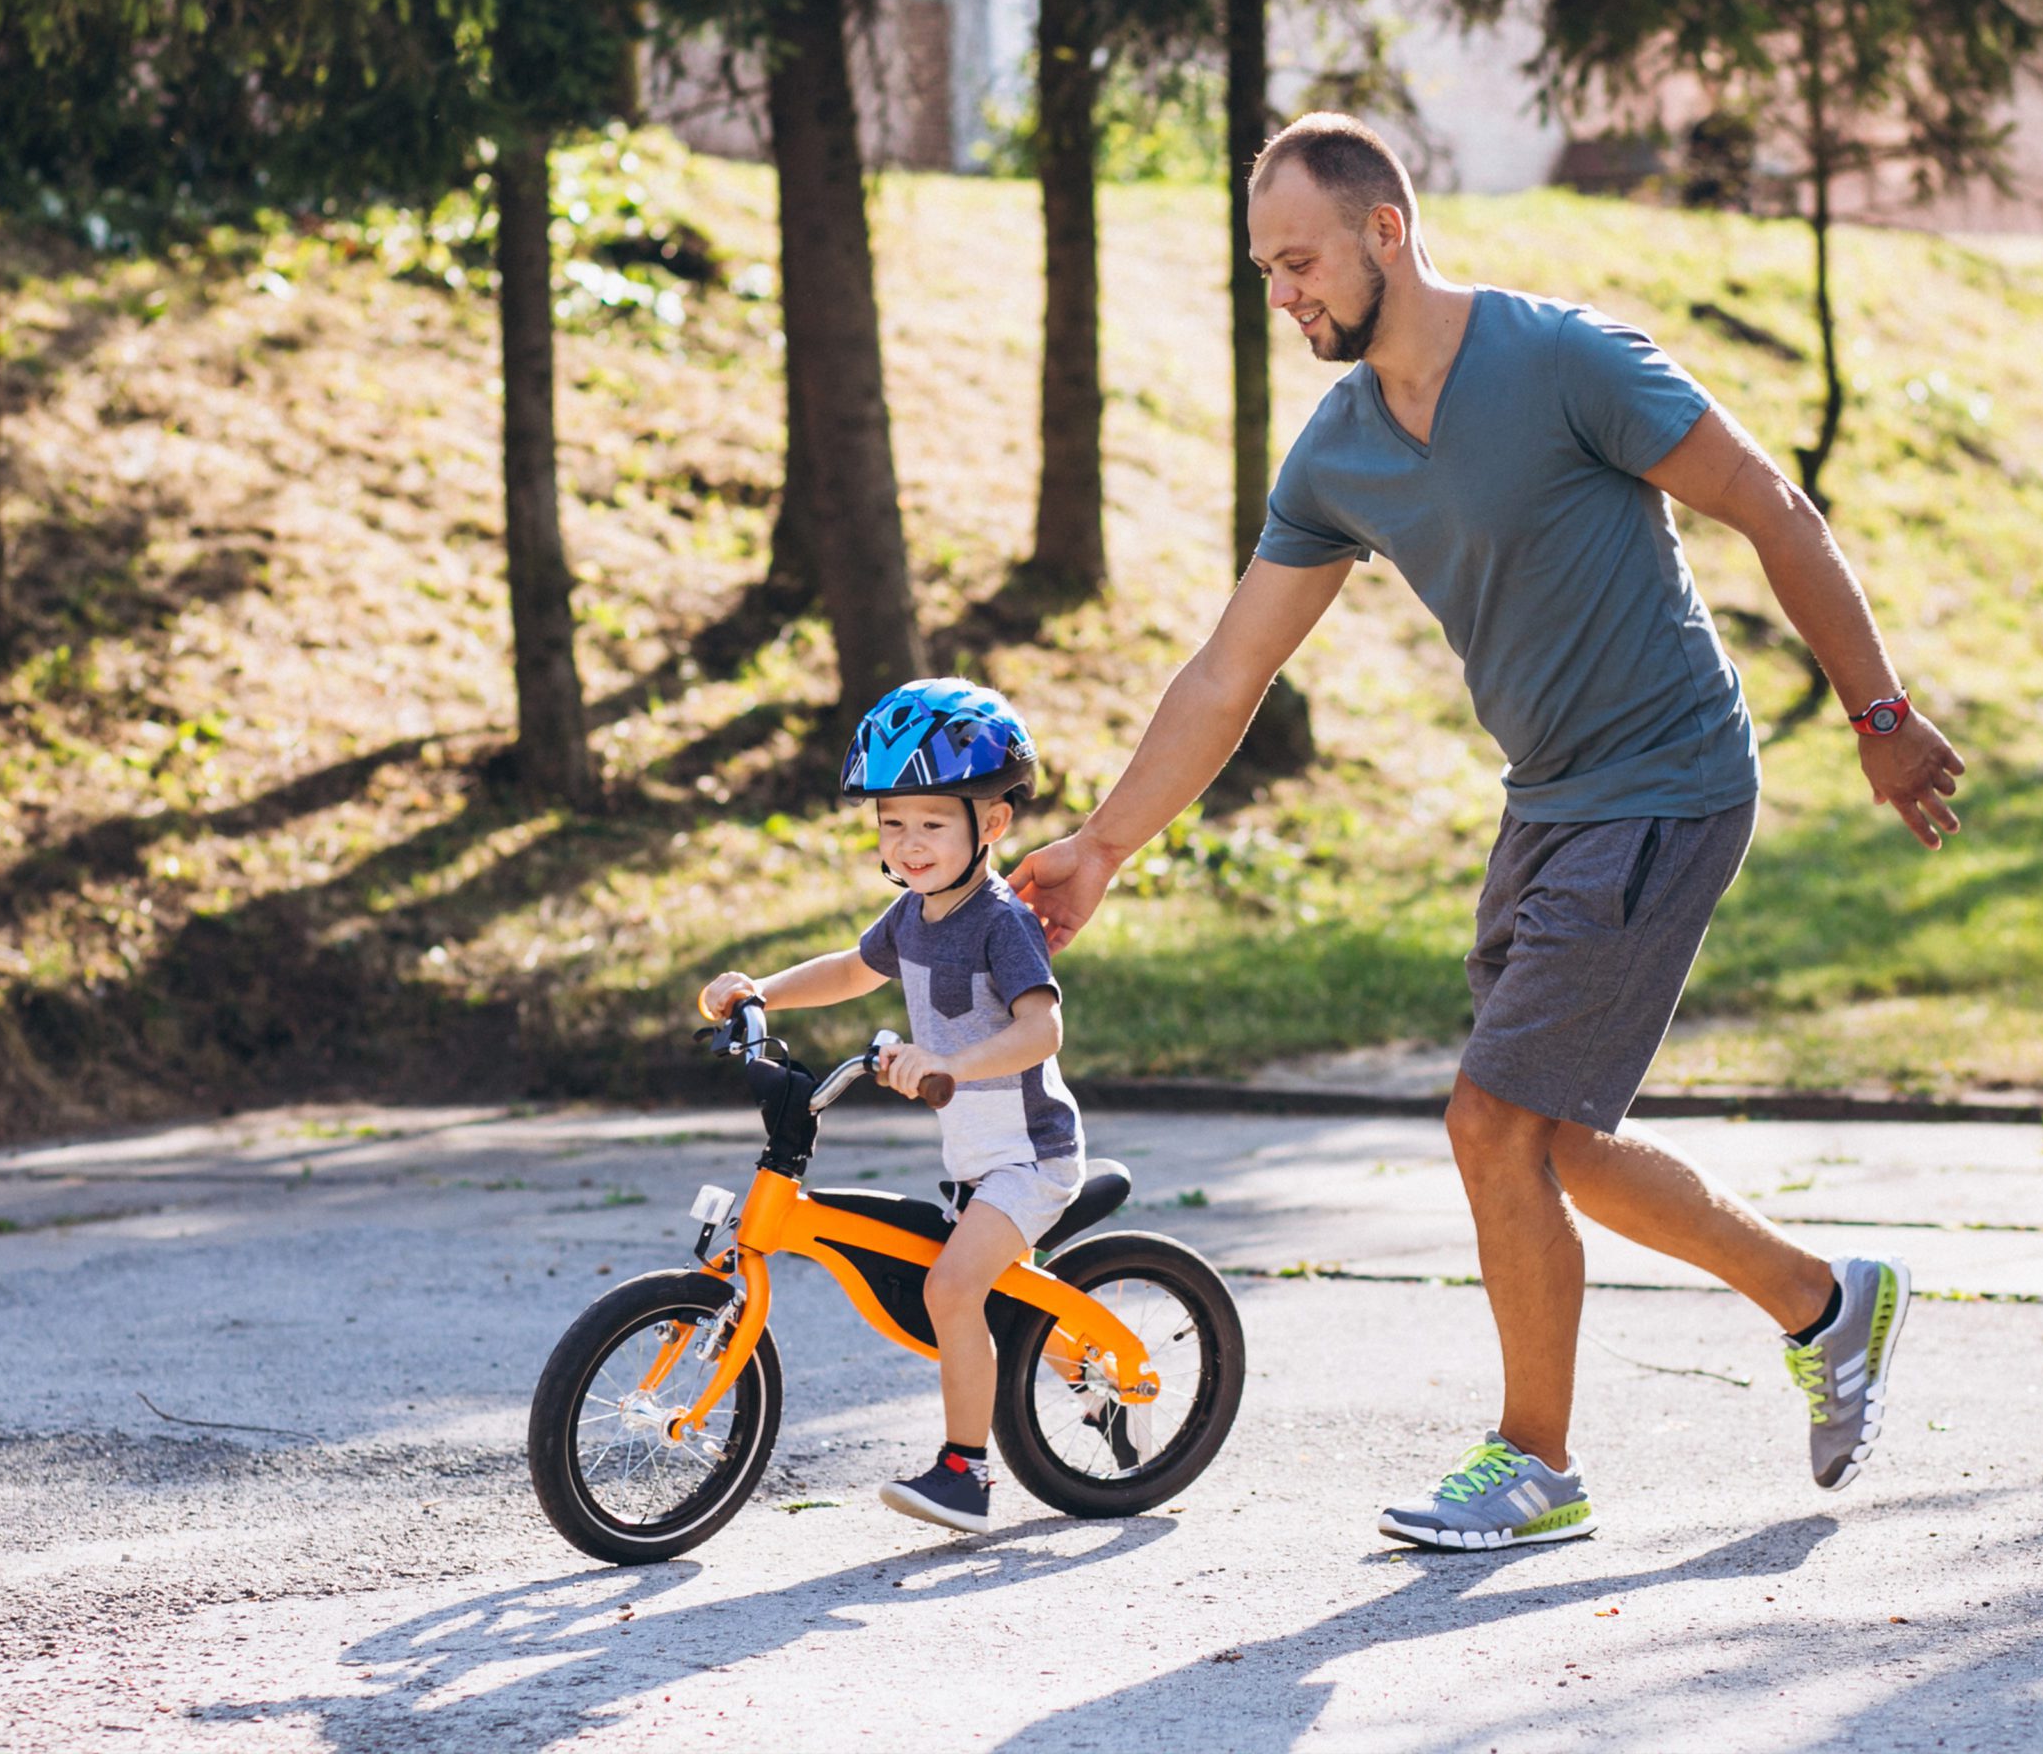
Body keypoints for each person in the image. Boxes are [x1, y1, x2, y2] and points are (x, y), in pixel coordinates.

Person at [1013, 113, 1960, 1551]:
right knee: (1551, 1144)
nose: (1287, 295)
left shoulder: (1566, 361)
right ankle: (1825, 1304)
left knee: (1491, 1122)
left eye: (1303, 262)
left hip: (1669, 778)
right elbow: (1230, 671)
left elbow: (1769, 504)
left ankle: (1537, 1463)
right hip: (1552, 800)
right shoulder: (1339, 452)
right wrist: (1104, 844)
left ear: (1386, 231)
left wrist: (1880, 719)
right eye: (1267, 272)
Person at [698, 678, 1083, 1535]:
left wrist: (949, 1060)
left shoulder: (999, 922)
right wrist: (762, 990)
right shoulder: (913, 915)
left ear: (991, 823)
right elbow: (849, 969)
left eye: (932, 823)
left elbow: (1041, 1031)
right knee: (968, 1291)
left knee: (951, 1289)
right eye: (891, 822)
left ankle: (967, 1474)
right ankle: (1059, 1367)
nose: (908, 844)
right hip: (974, 1159)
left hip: (1032, 1155)